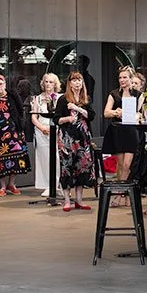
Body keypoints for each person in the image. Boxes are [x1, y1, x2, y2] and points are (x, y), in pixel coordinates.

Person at [55, 71, 95, 211]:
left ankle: (79, 200)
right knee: (67, 167)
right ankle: (67, 200)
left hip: (83, 139)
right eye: (74, 80)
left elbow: (91, 116)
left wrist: (78, 108)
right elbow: (56, 119)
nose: (77, 83)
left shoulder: (86, 98)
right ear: (69, 83)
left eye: (79, 80)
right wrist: (68, 119)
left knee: (82, 167)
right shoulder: (63, 99)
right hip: (67, 138)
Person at [0, 73, 30, 196]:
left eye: (0, 84)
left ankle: (12, 184)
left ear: (5, 85)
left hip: (14, 131)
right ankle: (2, 187)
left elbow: (20, 110)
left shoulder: (12, 95)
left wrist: (21, 126)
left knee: (15, 158)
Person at [102, 66, 142, 183]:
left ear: (131, 79)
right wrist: (116, 112)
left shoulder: (138, 94)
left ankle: (121, 194)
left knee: (127, 164)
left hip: (131, 131)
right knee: (120, 165)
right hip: (117, 131)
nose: (122, 80)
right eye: (120, 78)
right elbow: (106, 113)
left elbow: (140, 114)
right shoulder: (114, 94)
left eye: (125, 77)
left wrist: (133, 115)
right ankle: (123, 192)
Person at [28, 75, 57, 193]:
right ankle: (47, 185)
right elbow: (34, 117)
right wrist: (42, 128)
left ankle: (59, 184)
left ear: (55, 84)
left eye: (51, 82)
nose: (48, 84)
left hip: (56, 130)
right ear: (43, 83)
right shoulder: (37, 98)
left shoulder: (60, 98)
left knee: (58, 159)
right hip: (41, 131)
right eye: (46, 82)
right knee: (44, 158)